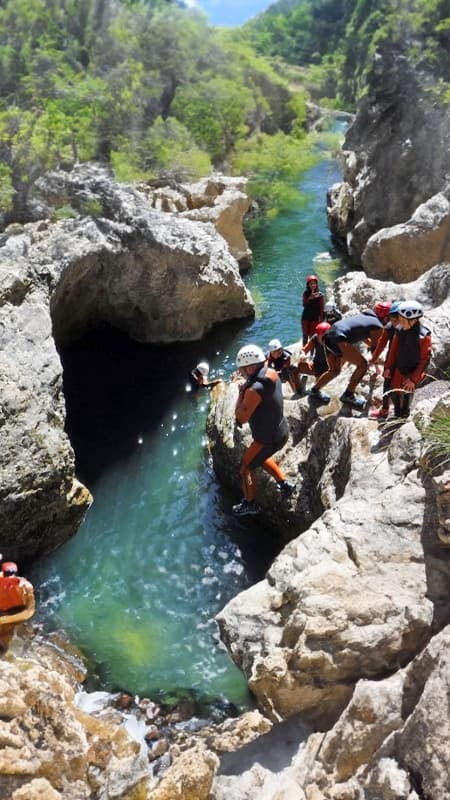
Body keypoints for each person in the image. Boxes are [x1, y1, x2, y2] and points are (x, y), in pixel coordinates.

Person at [233, 344, 295, 516]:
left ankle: (250, 503)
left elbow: (240, 418)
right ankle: (284, 484)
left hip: (267, 438)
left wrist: (240, 393)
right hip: (281, 430)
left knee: (245, 467)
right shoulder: (271, 372)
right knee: (259, 458)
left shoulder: (253, 390)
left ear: (251, 367)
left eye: (243, 369)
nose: (241, 372)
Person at [309, 309, 384, 408]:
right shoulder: (378, 326)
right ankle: (348, 395)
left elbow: (364, 337)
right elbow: (375, 348)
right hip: (339, 338)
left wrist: (374, 354)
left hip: (328, 335)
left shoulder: (364, 317)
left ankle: (314, 390)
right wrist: (379, 362)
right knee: (362, 365)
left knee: (334, 371)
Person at [383, 301, 432, 419]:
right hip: (400, 367)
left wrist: (413, 379)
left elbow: (425, 359)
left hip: (413, 370)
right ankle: (397, 413)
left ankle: (403, 416)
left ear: (413, 320)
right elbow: (393, 351)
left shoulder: (423, 336)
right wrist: (388, 368)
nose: (400, 322)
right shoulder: (400, 330)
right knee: (394, 391)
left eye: (403, 320)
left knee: (406, 394)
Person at [368, 301, 401, 419]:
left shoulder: (393, 328)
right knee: (390, 385)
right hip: (395, 360)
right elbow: (381, 344)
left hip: (398, 361)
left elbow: (381, 345)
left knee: (391, 385)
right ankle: (390, 411)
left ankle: (393, 411)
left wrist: (374, 359)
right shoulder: (391, 327)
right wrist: (374, 359)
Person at [0, 561, 36, 653]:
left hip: (14, 613)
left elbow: (29, 611)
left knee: (5, 637)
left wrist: (5, 620)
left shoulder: (25, 587)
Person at [301, 274, 324, 345]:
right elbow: (304, 304)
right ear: (308, 285)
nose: (313, 285)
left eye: (314, 283)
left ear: (316, 284)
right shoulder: (305, 294)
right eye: (311, 284)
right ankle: (303, 352)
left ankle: (311, 354)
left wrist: (321, 320)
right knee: (305, 336)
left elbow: (321, 308)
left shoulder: (320, 295)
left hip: (315, 318)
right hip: (306, 317)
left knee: (312, 337)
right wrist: (309, 299)